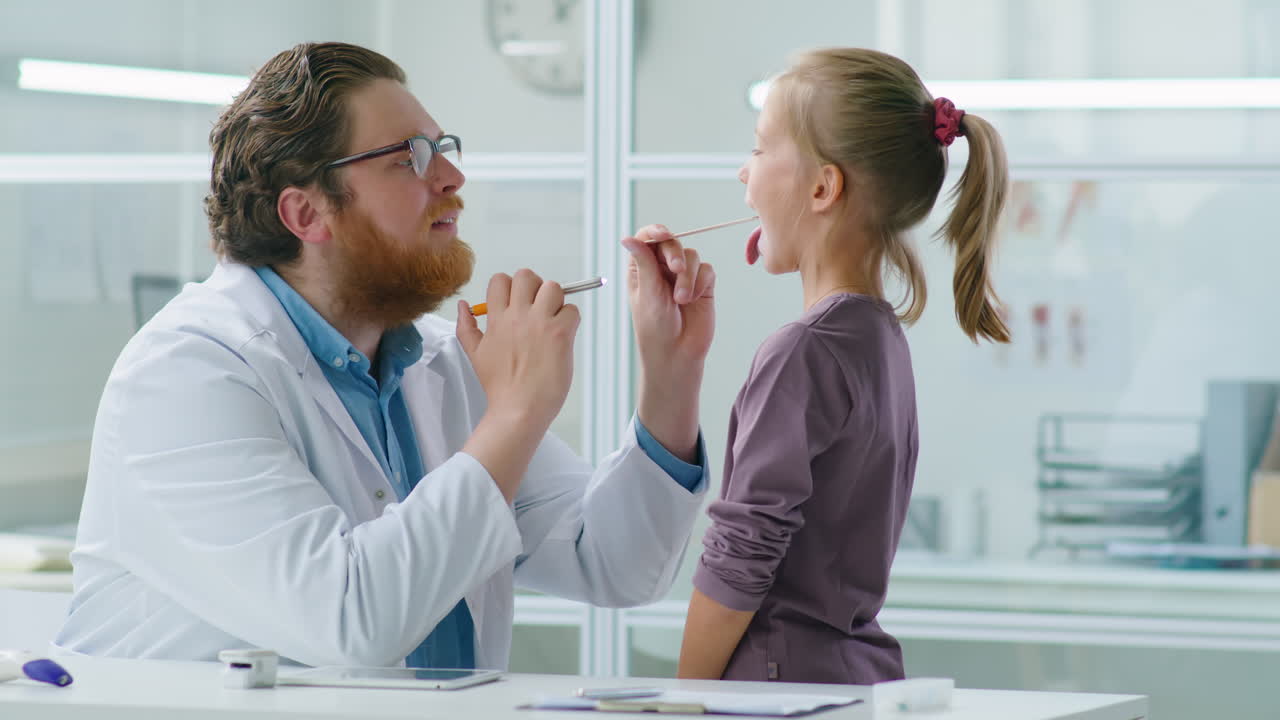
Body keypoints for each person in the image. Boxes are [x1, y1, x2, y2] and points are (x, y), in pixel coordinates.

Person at [55, 42, 717, 670]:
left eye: (444, 149)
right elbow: (350, 618)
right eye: (411, 157)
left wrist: (671, 370)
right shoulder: (185, 375)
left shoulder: (443, 364)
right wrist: (517, 413)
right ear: (307, 213)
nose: (453, 177)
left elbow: (615, 563)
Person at [676, 47, 1011, 684]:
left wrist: (682, 695)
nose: (742, 175)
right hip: (855, 677)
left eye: (758, 149)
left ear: (823, 187)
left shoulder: (803, 351)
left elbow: (741, 556)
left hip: (782, 683)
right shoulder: (879, 340)